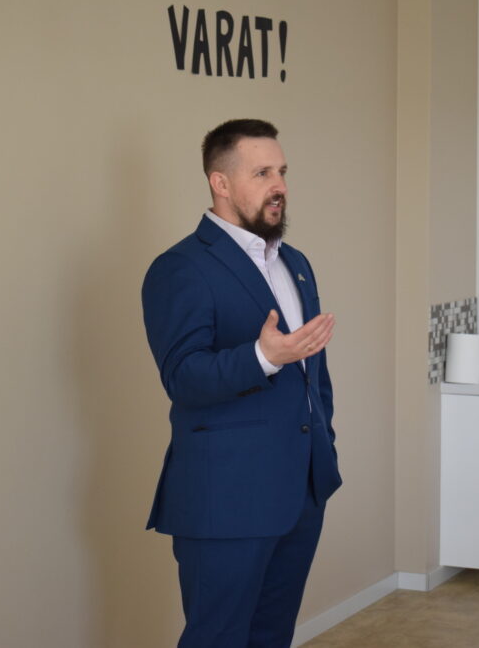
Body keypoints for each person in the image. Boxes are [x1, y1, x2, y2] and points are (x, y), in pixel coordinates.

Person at [141, 118, 342, 648]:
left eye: (282, 172)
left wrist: (324, 444)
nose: (279, 186)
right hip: (225, 499)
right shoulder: (180, 268)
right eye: (262, 173)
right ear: (221, 183)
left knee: (271, 636)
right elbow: (183, 377)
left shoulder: (295, 263)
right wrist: (262, 357)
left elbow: (313, 374)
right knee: (218, 639)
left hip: (301, 493)